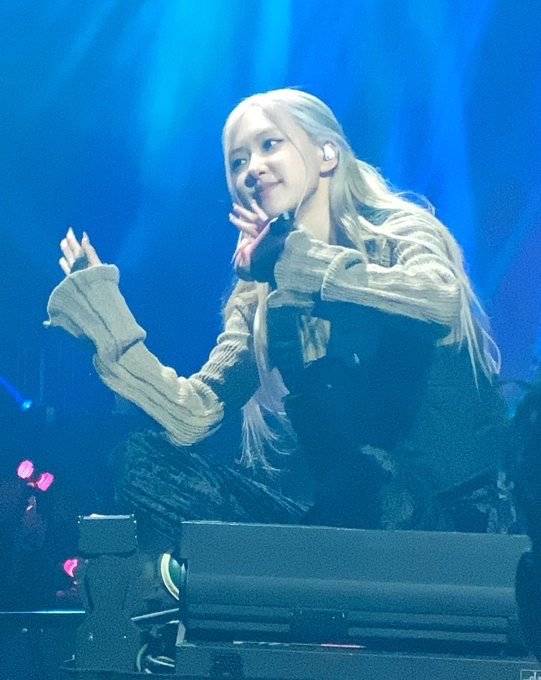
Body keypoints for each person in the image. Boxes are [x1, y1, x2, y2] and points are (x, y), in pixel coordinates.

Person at [46, 88, 507, 549]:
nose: (252, 169)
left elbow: (438, 300)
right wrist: (104, 317)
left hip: (447, 512)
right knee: (143, 462)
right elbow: (193, 415)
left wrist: (294, 259)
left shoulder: (399, 231)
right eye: (237, 161)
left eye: (270, 145)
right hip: (348, 520)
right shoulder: (257, 297)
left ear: (326, 154)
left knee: (371, 478)